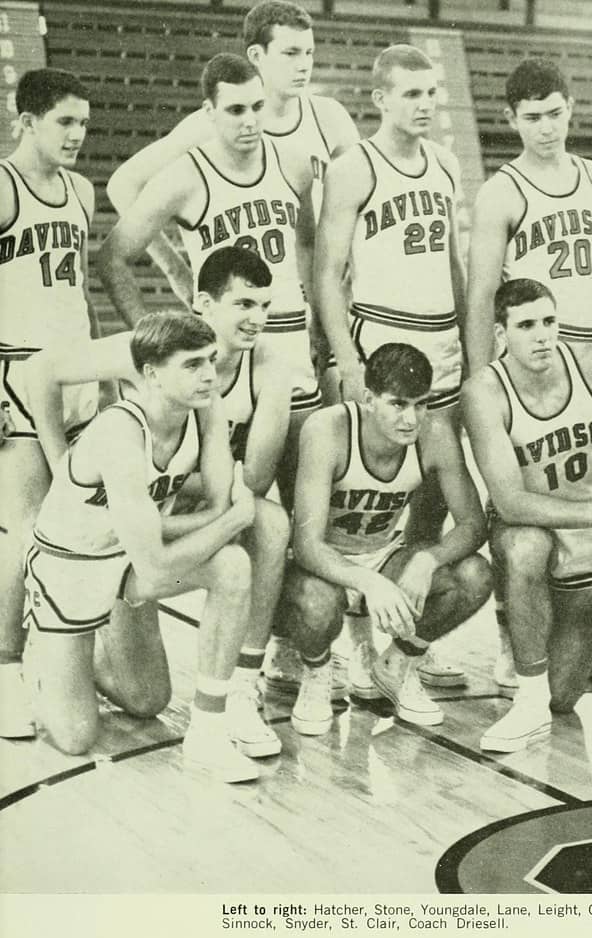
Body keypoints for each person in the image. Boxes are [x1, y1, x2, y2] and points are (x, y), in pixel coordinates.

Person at [26, 248, 293, 760]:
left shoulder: (206, 398)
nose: (208, 375)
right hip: (72, 567)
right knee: (77, 737)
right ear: (148, 373)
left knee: (149, 700)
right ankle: (51, 660)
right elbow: (43, 369)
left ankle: (209, 729)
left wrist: (213, 517)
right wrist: (58, 459)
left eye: (264, 305)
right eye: (243, 304)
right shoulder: (127, 409)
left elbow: (218, 507)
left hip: (130, 554)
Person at [462, 58, 592, 692]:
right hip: (526, 361)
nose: (545, 128)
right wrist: (486, 377)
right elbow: (482, 293)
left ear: (571, 108)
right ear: (511, 120)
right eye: (532, 118)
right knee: (522, 516)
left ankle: (581, 624)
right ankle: (515, 637)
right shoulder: (501, 191)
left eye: (555, 114)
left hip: (588, 351)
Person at [105, 0, 359, 397]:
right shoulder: (206, 126)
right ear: (257, 56)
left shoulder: (330, 118)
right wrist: (177, 270)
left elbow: (331, 227)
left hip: (312, 308)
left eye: (309, 52)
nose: (303, 64)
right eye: (291, 53)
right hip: (233, 323)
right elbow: (123, 184)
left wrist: (328, 308)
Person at [98, 52, 318, 510]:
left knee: (305, 502)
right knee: (222, 495)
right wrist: (156, 340)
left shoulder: (293, 163)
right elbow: (114, 257)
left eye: (258, 107)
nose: (251, 121)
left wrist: (318, 327)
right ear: (208, 112)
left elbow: (308, 246)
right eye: (236, 110)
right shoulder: (184, 177)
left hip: (289, 343)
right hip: (223, 354)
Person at [313, 43, 468, 688]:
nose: (426, 103)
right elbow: (325, 273)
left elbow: (454, 265)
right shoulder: (355, 167)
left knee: (428, 498)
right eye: (411, 93)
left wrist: (473, 345)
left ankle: (405, 641)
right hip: (378, 342)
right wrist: (346, 359)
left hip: (443, 347)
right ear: (379, 100)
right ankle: (349, 636)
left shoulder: (447, 164)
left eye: (432, 92)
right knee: (355, 497)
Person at [462, 278, 592, 753]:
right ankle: (525, 699)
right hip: (531, 524)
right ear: (502, 333)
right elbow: (508, 502)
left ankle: (539, 682)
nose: (542, 335)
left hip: (587, 533)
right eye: (526, 325)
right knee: (526, 547)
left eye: (549, 321)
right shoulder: (485, 391)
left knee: (564, 698)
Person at [279, 343, 491, 734]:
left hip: (383, 554)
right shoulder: (328, 429)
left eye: (421, 404)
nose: (411, 419)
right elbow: (308, 545)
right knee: (316, 604)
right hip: (322, 567)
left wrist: (427, 561)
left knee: (473, 576)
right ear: (368, 398)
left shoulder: (435, 434)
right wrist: (369, 582)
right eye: (398, 404)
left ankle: (397, 665)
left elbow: (473, 524)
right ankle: (317, 671)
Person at [0, 68, 95, 740]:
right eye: (65, 122)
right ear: (25, 118)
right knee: (21, 532)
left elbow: (77, 291)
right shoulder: (3, 186)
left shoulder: (82, 192)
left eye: (84, 124)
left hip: (76, 378)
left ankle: (55, 661)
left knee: (74, 530)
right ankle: (4, 675)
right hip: (16, 375)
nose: (78, 136)